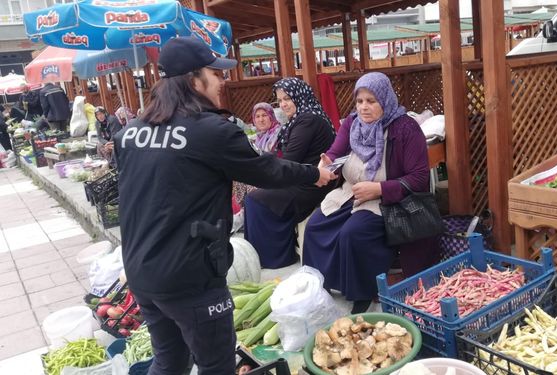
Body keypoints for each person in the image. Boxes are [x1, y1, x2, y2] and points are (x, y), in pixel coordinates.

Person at [113, 36, 335, 375]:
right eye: (215, 73)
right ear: (194, 80)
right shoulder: (211, 131)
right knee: (216, 366)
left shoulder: (129, 134)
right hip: (190, 276)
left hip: (142, 270)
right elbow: (267, 170)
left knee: (169, 361)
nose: (222, 81)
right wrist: (314, 174)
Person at [302, 72, 439, 314]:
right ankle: (320, 284)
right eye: (360, 101)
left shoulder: (405, 129)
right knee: (315, 225)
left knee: (353, 233)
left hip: (388, 200)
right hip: (351, 192)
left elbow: (418, 178)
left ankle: (362, 293)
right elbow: (335, 152)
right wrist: (326, 165)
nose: (364, 107)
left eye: (371, 101)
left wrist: (379, 189)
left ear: (385, 100)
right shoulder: (352, 124)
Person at [244, 77, 336, 269]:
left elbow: (289, 159)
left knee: (255, 199)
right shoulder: (302, 118)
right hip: (301, 177)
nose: (284, 104)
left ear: (299, 96)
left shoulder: (308, 120)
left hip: (312, 183)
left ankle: (273, 258)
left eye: (288, 98)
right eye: (280, 100)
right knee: (255, 194)